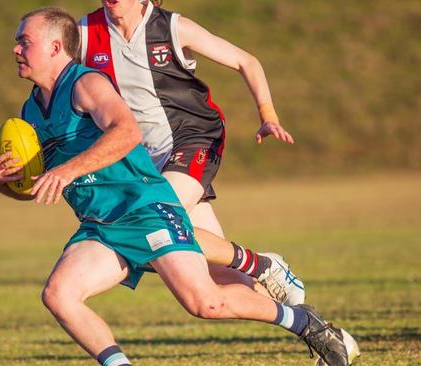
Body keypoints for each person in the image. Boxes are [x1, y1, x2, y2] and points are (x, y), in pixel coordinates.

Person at [0, 7, 359, 366]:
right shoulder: (30, 114)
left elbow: (127, 132)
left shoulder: (86, 83)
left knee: (207, 303)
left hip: (145, 210)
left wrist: (67, 170)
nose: (15, 49)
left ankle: (306, 323)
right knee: (59, 295)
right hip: (101, 226)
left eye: (24, 41)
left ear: (54, 47)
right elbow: (36, 188)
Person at [78, 0, 303, 305]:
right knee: (216, 275)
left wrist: (269, 116)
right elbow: (55, 83)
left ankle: (262, 265)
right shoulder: (85, 33)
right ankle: (307, 320)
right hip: (139, 162)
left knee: (153, 224)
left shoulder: (172, 28)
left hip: (192, 139)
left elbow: (246, 61)